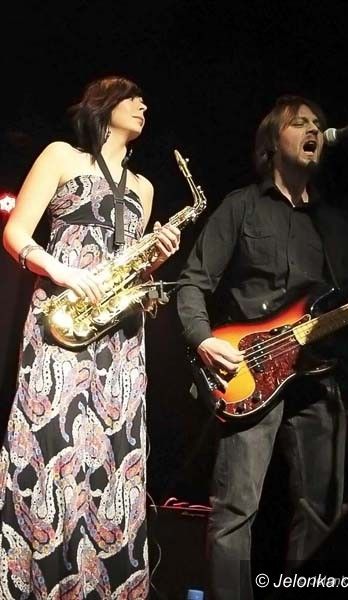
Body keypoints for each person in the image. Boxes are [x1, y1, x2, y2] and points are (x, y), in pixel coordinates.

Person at [1, 75, 180, 598]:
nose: (144, 105)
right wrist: (61, 270)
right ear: (105, 103)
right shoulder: (62, 156)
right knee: (48, 446)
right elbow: (15, 233)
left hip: (118, 338)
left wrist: (155, 258)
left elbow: (130, 271)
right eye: (133, 97)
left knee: (111, 461)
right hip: (60, 321)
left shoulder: (144, 188)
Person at [176, 95, 348, 599]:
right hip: (249, 368)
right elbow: (192, 282)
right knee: (235, 511)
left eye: (318, 123)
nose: (313, 130)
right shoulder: (242, 206)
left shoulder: (331, 223)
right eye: (299, 123)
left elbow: (340, 299)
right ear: (272, 142)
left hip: (315, 375)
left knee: (322, 511)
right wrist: (203, 339)